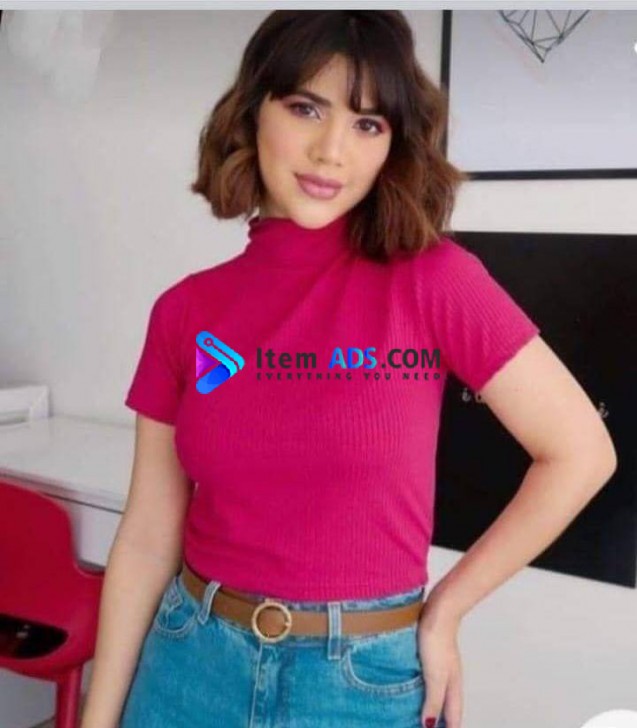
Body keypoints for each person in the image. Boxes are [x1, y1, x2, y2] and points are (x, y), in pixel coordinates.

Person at [81, 11, 617, 728]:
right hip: (188, 663)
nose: (331, 150)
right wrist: (98, 719)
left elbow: (581, 452)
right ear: (253, 109)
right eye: (306, 108)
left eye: (367, 124)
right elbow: (149, 537)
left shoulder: (434, 281)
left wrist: (446, 610)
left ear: (393, 144)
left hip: (359, 684)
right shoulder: (186, 311)